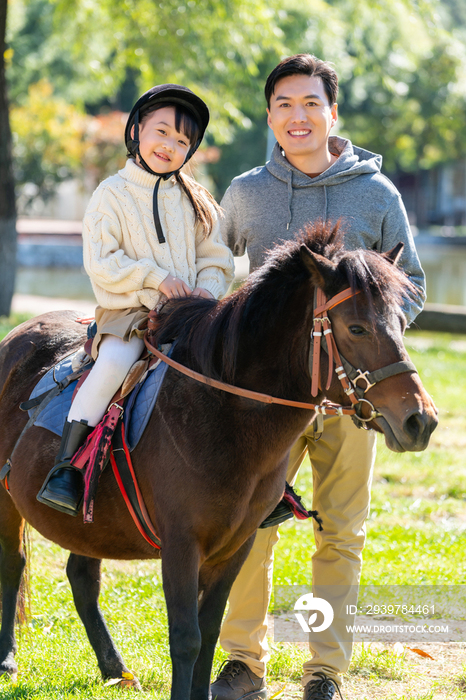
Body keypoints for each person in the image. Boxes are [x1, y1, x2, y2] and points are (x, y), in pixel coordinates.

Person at [211, 55, 425, 700]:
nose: (296, 116)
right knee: (251, 523)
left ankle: (325, 668)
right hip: (264, 402)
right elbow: (217, 280)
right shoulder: (246, 193)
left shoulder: (376, 194)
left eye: (310, 104)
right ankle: (244, 660)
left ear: (332, 112)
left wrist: (370, 344)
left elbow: (408, 285)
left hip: (348, 398)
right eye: (283, 104)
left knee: (341, 529)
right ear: (269, 114)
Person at [37, 84, 234, 517]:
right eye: (161, 131)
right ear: (137, 130)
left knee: (233, 364)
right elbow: (102, 262)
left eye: (183, 141)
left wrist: (207, 290)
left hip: (189, 315)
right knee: (113, 363)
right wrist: (155, 279)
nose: (170, 145)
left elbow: (216, 257)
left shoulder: (196, 199)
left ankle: (256, 479)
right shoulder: (111, 193)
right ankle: (66, 467)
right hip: (128, 313)